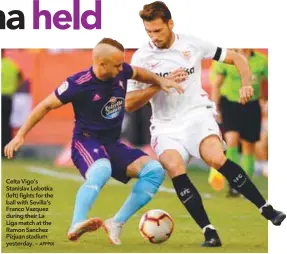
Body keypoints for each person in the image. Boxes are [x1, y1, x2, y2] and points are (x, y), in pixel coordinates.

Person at [125, 1, 285, 247]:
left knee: (215, 157)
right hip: (165, 125)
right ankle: (209, 231)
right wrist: (159, 83)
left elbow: (238, 59)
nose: (153, 37)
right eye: (149, 32)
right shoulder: (141, 57)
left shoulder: (192, 43)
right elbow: (129, 104)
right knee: (173, 165)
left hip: (196, 115)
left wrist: (246, 84)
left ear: (170, 24)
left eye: (158, 31)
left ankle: (266, 208)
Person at [4, 38, 184, 244]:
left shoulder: (122, 70)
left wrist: (160, 81)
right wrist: (20, 135)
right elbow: (45, 105)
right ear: (101, 64)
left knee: (154, 171)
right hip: (86, 142)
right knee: (102, 170)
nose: (122, 68)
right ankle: (76, 223)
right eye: (117, 65)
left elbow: (138, 72)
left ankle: (116, 222)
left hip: (112, 144)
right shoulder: (77, 84)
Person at [210, 49, 268, 197]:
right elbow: (217, 84)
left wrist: (265, 101)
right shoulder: (227, 58)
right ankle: (234, 182)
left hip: (252, 104)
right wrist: (214, 107)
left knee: (249, 145)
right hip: (229, 103)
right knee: (231, 140)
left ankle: (245, 184)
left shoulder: (261, 60)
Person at [1, 49, 23, 158]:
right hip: (8, 98)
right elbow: (20, 77)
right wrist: (14, 88)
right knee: (6, 126)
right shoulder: (11, 65)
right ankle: (7, 152)